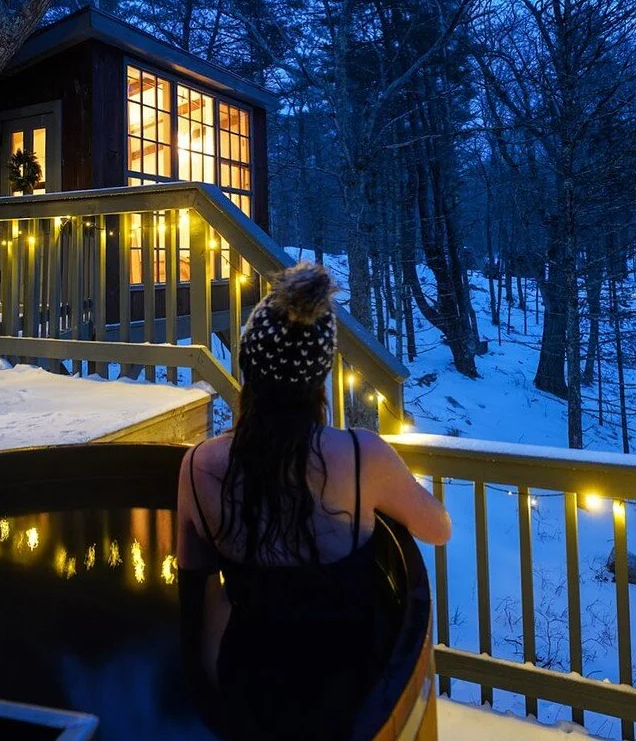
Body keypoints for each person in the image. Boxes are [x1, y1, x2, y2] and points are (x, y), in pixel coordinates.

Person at [176, 262, 451, 740]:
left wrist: (210, 697)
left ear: (248, 364)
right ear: (320, 374)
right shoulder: (361, 456)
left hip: (250, 694)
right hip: (354, 699)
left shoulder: (200, 466)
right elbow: (437, 529)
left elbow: (195, 595)